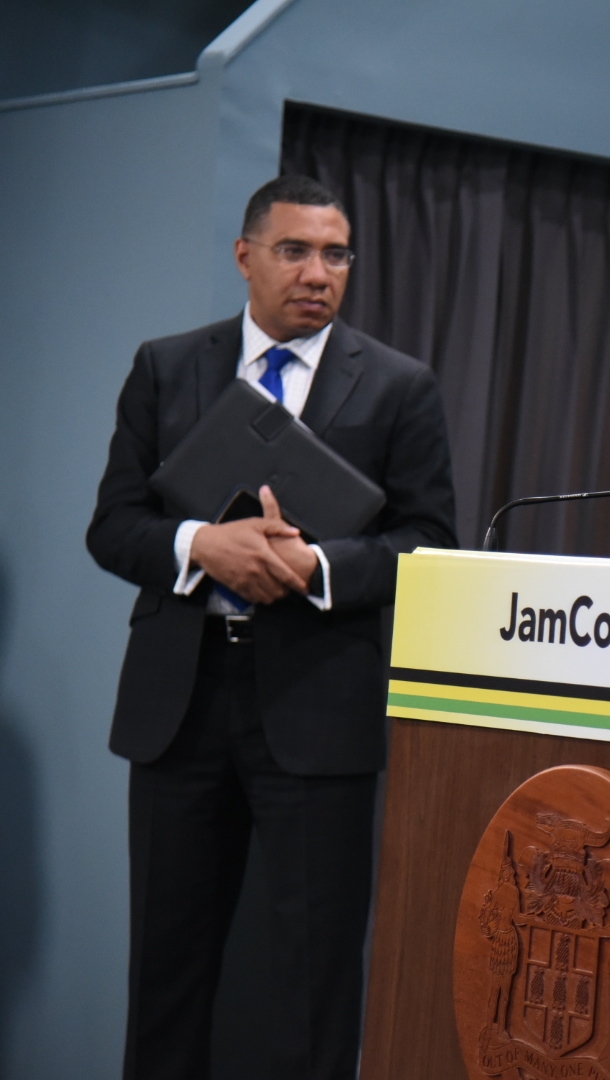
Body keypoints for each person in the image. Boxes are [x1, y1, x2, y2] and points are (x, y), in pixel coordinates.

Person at [86, 175, 458, 1079]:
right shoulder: (167, 367)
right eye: (295, 251)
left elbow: (427, 542)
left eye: (336, 254)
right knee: (166, 974)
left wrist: (319, 567)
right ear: (246, 256)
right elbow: (113, 527)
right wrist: (200, 544)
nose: (317, 273)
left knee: (313, 980)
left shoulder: (401, 387)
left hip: (316, 708)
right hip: (181, 705)